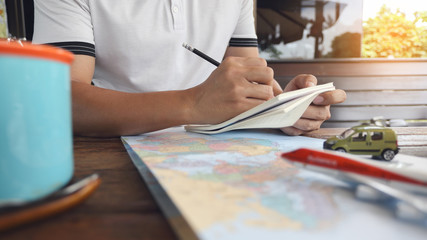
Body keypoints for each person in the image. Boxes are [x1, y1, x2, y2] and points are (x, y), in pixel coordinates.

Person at [32, 0, 346, 137]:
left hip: (212, 148)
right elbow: (59, 101)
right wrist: (192, 104)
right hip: (109, 146)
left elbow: (248, 79)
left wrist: (280, 111)